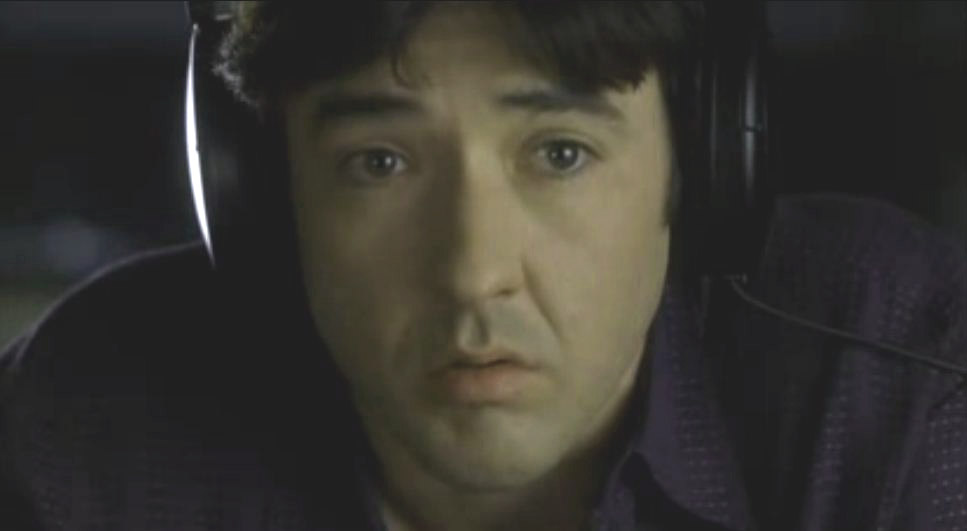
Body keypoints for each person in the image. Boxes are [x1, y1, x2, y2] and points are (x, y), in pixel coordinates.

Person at [1, 2, 965, 530]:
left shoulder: (903, 392)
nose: (471, 273)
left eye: (560, 153)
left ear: (702, 168)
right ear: (260, 190)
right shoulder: (82, 433)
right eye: (379, 163)